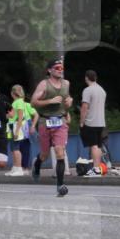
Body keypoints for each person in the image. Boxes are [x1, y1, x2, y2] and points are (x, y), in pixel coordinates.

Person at [31, 58, 73, 197]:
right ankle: (37, 165)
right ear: (49, 70)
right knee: (44, 154)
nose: (60, 70)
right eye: (57, 68)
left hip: (60, 121)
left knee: (59, 151)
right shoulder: (44, 84)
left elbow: (66, 100)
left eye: (61, 68)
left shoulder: (66, 84)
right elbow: (33, 103)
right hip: (45, 121)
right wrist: (50, 100)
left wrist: (68, 106)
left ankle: (60, 185)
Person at [80, 70, 107, 177]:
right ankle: (98, 167)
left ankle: (95, 169)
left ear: (86, 78)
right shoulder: (102, 90)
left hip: (91, 122)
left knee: (93, 145)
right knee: (99, 145)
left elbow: (85, 107)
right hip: (101, 121)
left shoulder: (87, 90)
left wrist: (82, 121)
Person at [5, 85, 36, 176]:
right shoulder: (16, 102)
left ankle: (19, 169)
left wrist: (17, 130)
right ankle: (15, 168)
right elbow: (13, 115)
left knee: (16, 148)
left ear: (12, 93)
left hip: (15, 126)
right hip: (11, 125)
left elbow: (20, 117)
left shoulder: (18, 102)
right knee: (13, 148)